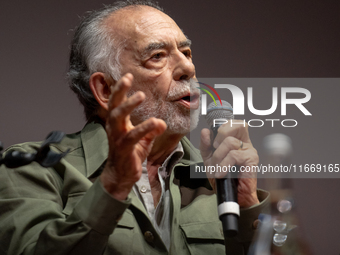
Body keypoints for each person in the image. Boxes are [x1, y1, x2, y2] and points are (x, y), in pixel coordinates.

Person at [0, 1, 269, 254]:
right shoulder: (33, 168)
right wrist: (111, 189)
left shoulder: (220, 179)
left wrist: (246, 204)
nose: (188, 67)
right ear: (106, 88)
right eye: (157, 56)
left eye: (186, 52)